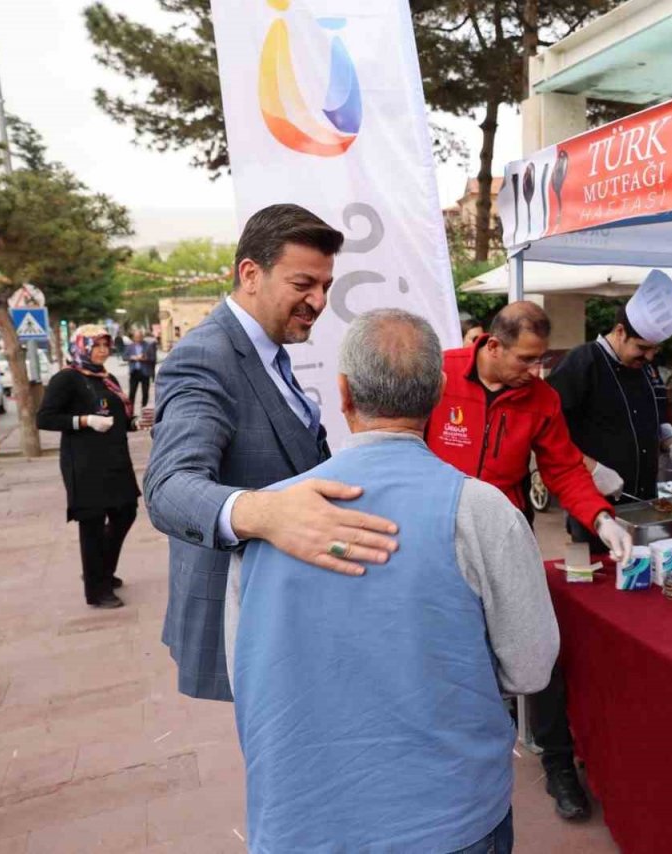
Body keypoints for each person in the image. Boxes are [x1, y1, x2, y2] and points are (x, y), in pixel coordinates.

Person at [225, 309, 557, 853]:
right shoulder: (482, 511)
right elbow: (530, 667)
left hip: (301, 819)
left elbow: (246, 677)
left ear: (343, 393)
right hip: (450, 815)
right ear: (439, 394)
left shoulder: (266, 515)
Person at [144, 204, 400, 701]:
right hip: (245, 621)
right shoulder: (204, 356)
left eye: (326, 286)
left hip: (286, 612)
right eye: (304, 283)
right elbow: (168, 488)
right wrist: (266, 512)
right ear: (250, 274)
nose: (319, 301)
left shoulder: (271, 352)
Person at [425, 300, 630, 822]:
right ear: (492, 346)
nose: (535, 373)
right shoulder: (439, 372)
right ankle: (448, 767)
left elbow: (563, 468)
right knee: (445, 655)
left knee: (540, 650)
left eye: (542, 361)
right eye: (526, 360)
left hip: (505, 539)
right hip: (435, 540)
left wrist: (603, 520)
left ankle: (557, 762)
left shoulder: (539, 399)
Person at [548, 269, 672, 547]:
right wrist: (591, 468)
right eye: (642, 347)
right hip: (595, 508)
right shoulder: (581, 363)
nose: (649, 357)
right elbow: (549, 435)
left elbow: (657, 415)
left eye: (655, 350)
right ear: (620, 331)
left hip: (645, 504)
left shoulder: (645, 368)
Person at [37, 325, 142, 609]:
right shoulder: (67, 378)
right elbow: (45, 418)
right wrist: (84, 421)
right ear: (81, 347)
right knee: (93, 523)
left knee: (125, 511)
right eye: (96, 345)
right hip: (84, 463)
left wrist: (134, 423)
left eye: (106, 345)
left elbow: (116, 414)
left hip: (116, 459)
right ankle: (97, 590)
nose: (102, 351)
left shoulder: (105, 378)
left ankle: (101, 570)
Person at [124, 329, 156, 409]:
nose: (138, 338)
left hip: (145, 372)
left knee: (145, 393)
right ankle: (130, 412)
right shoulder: (130, 346)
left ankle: (143, 410)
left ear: (142, 337)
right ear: (133, 337)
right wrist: (132, 357)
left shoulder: (148, 346)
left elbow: (153, 358)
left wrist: (145, 358)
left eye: (140, 337)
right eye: (136, 337)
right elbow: (124, 357)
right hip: (134, 372)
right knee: (132, 393)